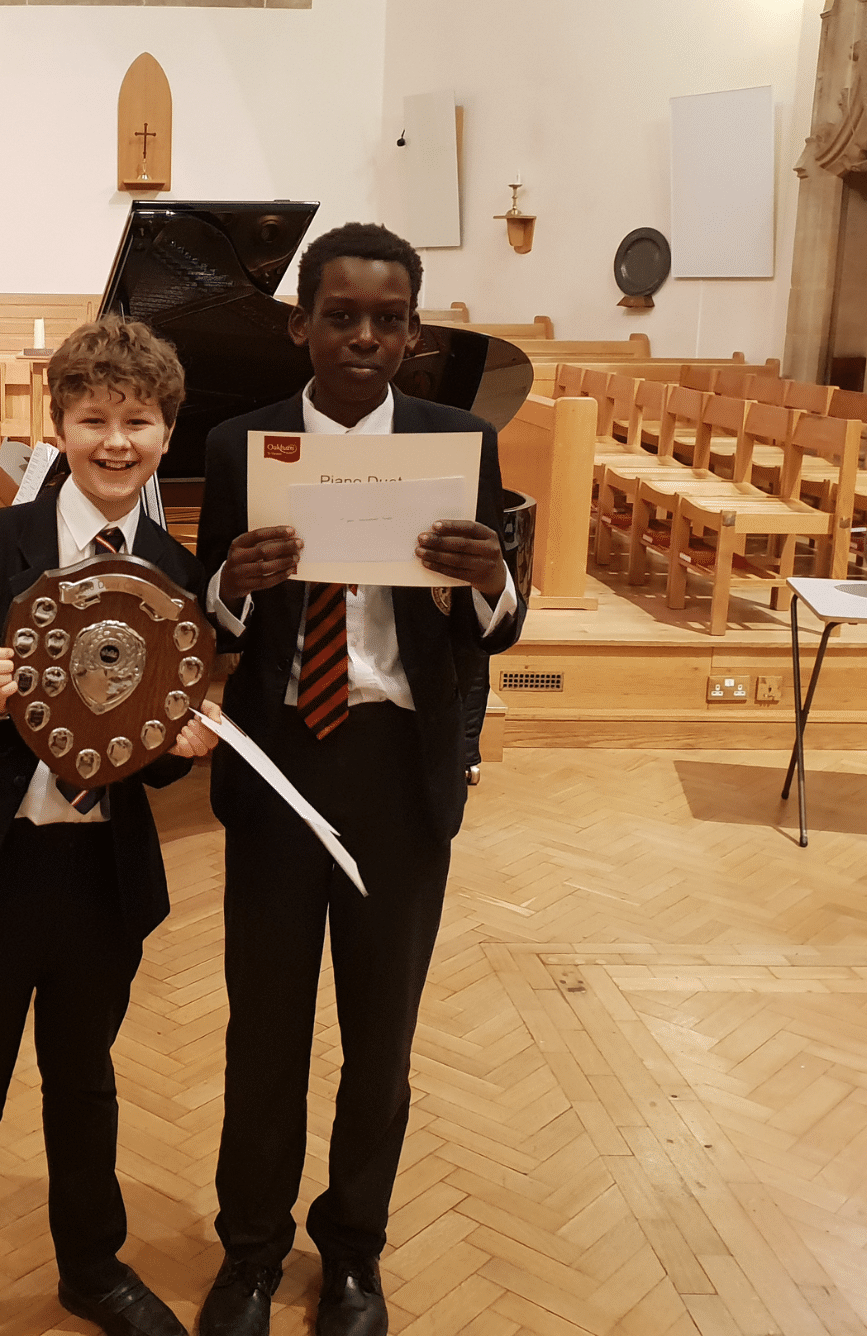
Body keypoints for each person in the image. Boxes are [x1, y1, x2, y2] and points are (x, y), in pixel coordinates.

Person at [192, 223, 526, 1336]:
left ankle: (351, 1257)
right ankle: (248, 1254)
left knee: (380, 1032)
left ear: (413, 332)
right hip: (282, 756)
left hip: (395, 764)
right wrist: (229, 589)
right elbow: (207, 622)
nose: (364, 337)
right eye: (341, 315)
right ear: (302, 324)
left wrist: (487, 584)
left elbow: (495, 625)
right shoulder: (243, 442)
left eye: (388, 319)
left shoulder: (459, 442)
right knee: (264, 1027)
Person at [0, 316, 219, 1336]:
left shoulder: (172, 574)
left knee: (84, 1084)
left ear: (167, 431)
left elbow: (152, 745)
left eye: (136, 421)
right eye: (92, 420)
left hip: (97, 875)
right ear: (59, 425)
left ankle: (93, 1270)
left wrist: (182, 748)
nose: (114, 442)